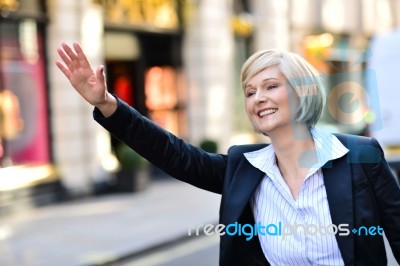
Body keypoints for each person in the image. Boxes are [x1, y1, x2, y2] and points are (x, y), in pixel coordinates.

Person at [56, 42, 400, 266]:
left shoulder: (359, 156)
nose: (258, 98)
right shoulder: (243, 167)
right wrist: (107, 104)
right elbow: (174, 155)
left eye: (270, 86)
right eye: (250, 92)